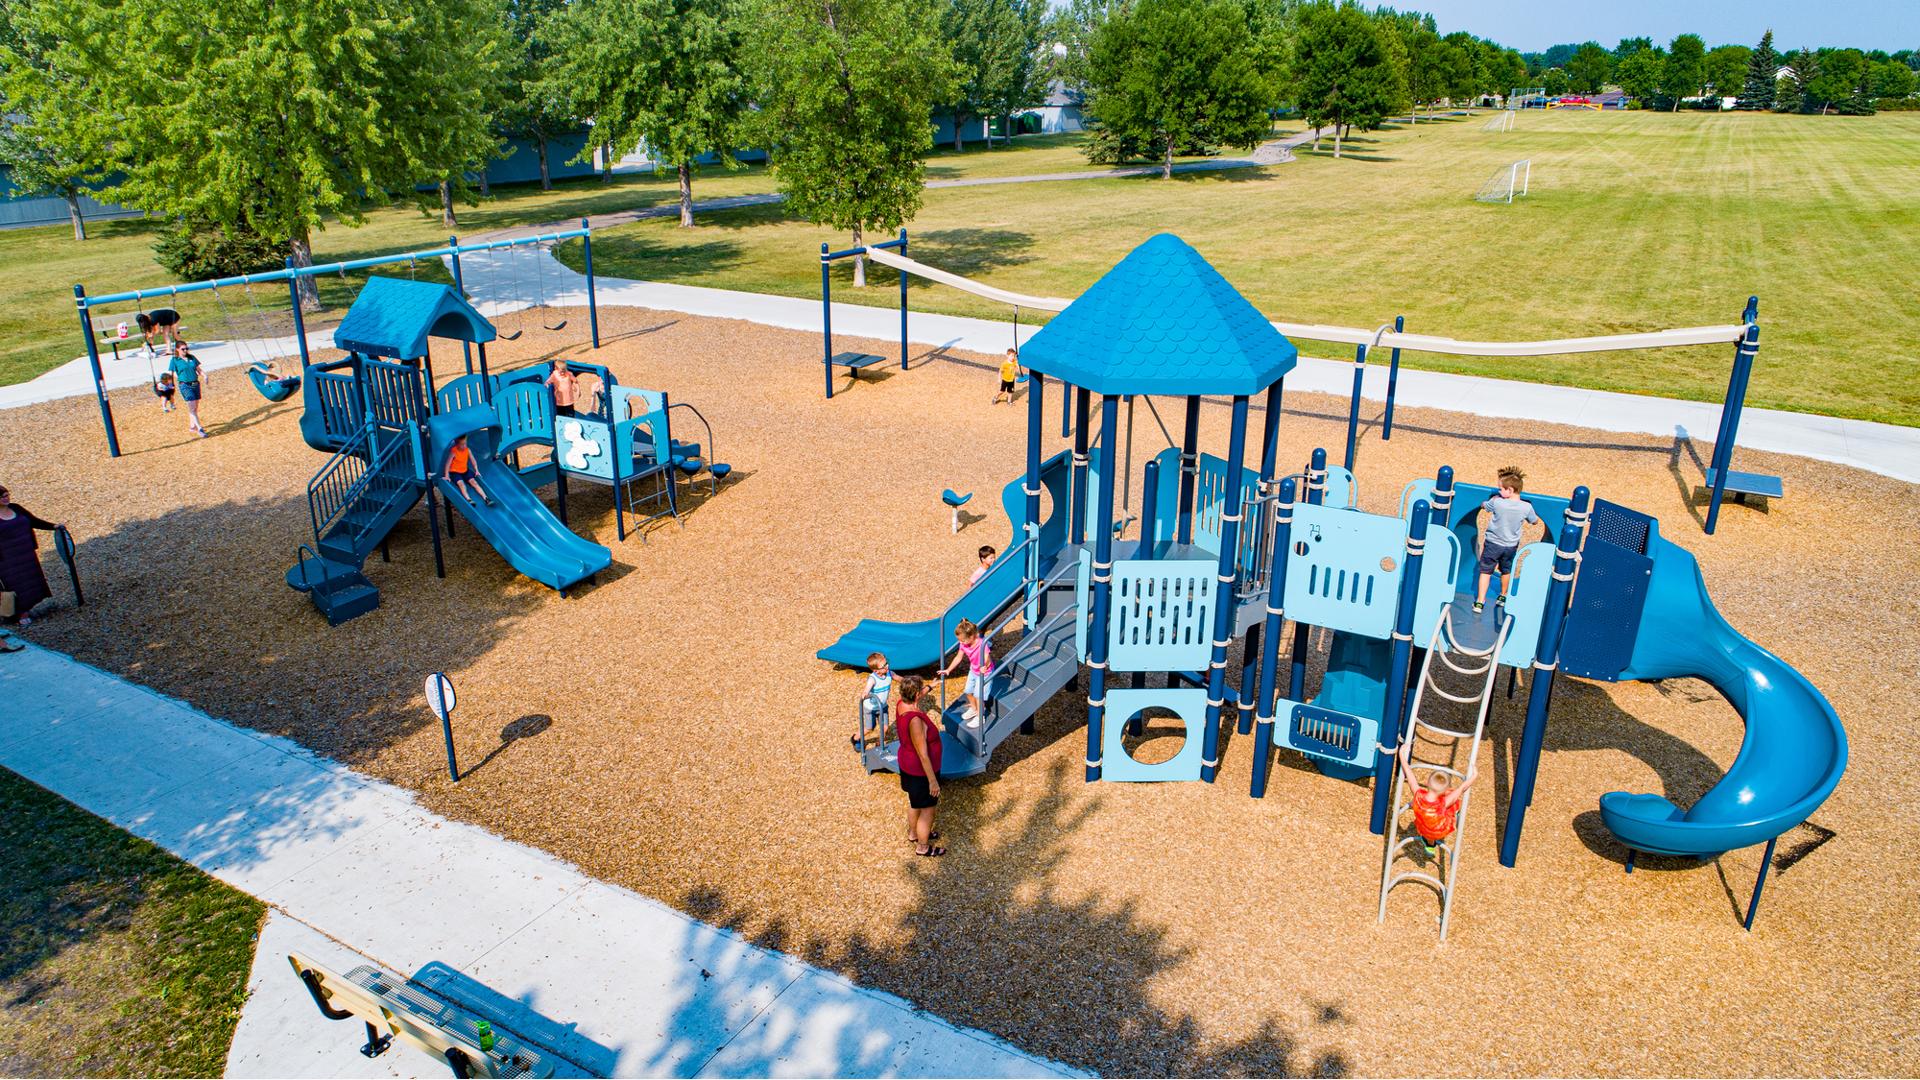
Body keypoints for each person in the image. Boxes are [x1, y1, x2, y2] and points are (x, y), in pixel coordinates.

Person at [1474, 465, 1541, 614]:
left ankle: (1480, 601)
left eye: (1500, 488)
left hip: (1493, 544)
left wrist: (1484, 504)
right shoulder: (1526, 507)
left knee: (1485, 571)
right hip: (1511, 546)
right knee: (1506, 570)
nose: (1498, 491)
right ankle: (1503, 596)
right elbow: (1534, 521)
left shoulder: (1497, 502)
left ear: (1509, 490)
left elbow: (1485, 506)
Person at [894, 675, 944, 857]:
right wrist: (933, 781)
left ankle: (913, 833)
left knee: (914, 802)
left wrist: (932, 685)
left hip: (906, 764)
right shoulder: (915, 721)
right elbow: (923, 754)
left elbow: (917, 694)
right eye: (920, 691)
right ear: (915, 695)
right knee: (928, 809)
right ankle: (923, 847)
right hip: (920, 772)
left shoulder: (901, 703)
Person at [0, 485, 61, 629]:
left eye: (7, 495)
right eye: (2, 497)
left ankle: (24, 611)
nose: (6, 498)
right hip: (6, 558)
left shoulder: (16, 508)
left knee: (30, 581)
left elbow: (34, 521)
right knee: (12, 585)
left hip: (26, 553)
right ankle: (17, 614)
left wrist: (53, 526)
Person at [1401, 739, 1475, 856]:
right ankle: (1454, 813)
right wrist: (1474, 776)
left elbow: (1410, 778)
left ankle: (1430, 844)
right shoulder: (1443, 802)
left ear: (1427, 783)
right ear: (1443, 791)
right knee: (1454, 799)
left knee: (1423, 809)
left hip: (1422, 828)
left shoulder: (1418, 794)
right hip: (1441, 831)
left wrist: (1402, 756)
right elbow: (1461, 789)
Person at [939, 619, 993, 728]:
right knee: (968, 691)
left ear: (972, 636)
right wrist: (948, 669)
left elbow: (988, 658)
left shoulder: (982, 644)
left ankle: (980, 716)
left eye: (963, 640)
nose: (961, 643)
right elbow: (958, 657)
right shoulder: (963, 644)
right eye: (959, 640)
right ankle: (974, 709)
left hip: (985, 673)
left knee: (979, 695)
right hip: (973, 671)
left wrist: (985, 666)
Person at [168, 341, 207, 437]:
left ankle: (192, 426)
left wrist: (204, 375)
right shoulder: (174, 360)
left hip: (195, 384)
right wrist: (169, 385)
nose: (185, 350)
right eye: (183, 349)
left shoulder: (191, 357)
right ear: (177, 349)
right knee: (192, 406)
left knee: (194, 407)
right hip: (185, 385)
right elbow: (170, 374)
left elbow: (198, 369)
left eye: (186, 348)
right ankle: (199, 428)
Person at [855, 651, 893, 749]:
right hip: (871, 708)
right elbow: (867, 689)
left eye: (886, 663)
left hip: (882, 706)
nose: (887, 666)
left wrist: (909, 681)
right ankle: (856, 738)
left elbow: (899, 678)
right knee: (869, 728)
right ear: (876, 671)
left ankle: (879, 743)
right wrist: (865, 694)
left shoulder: (889, 673)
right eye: (884, 665)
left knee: (885, 727)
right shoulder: (873, 679)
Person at [444, 434, 493, 506]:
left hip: (465, 470)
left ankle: (486, 499)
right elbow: (447, 464)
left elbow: (473, 460)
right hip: (455, 472)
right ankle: (469, 499)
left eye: (465, 443)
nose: (464, 446)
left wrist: (476, 470)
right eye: (462, 444)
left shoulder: (467, 450)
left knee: (474, 482)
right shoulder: (454, 451)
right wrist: (447, 476)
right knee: (461, 484)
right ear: (457, 444)